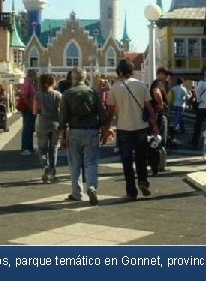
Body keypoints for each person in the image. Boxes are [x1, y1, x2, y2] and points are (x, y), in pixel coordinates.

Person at [105, 59, 158, 200]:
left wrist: (107, 128)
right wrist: (155, 125)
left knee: (127, 160)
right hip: (141, 127)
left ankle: (131, 190)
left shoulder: (115, 88)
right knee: (141, 157)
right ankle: (143, 181)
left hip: (123, 128)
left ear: (120, 72)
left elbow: (110, 112)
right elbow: (149, 108)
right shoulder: (141, 85)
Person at [59, 67, 108, 205]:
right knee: (91, 162)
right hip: (92, 130)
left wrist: (62, 136)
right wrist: (104, 129)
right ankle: (91, 187)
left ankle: (76, 193)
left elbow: (63, 119)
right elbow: (102, 114)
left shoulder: (67, 94)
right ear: (85, 78)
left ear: (73, 78)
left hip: (74, 131)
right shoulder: (93, 92)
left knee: (75, 164)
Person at [33, 73, 62, 183]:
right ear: (52, 82)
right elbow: (61, 111)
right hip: (55, 124)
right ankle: (53, 171)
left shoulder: (38, 95)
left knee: (42, 148)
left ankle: (45, 168)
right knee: (53, 149)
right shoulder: (58, 95)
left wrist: (42, 111)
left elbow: (34, 111)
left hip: (43, 124)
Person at [149, 67, 171, 173]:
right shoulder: (158, 83)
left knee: (156, 139)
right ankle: (160, 165)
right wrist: (161, 103)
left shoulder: (158, 83)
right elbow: (156, 92)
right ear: (160, 74)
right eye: (165, 74)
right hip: (161, 115)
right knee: (161, 140)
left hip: (157, 115)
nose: (167, 76)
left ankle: (156, 163)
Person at [19, 69, 38, 155]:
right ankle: (25, 148)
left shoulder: (31, 84)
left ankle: (29, 147)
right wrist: (30, 107)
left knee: (30, 128)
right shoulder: (27, 84)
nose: (35, 77)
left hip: (31, 109)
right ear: (31, 76)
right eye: (34, 75)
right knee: (27, 128)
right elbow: (24, 96)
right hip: (28, 109)